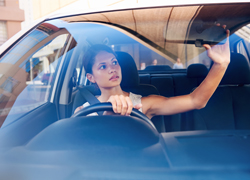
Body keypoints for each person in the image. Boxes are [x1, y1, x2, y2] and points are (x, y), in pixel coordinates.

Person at [75, 28, 230, 120]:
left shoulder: (144, 103)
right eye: (103, 66)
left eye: (114, 62)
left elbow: (196, 101)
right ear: (91, 77)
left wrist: (221, 64)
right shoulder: (83, 112)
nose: (112, 69)